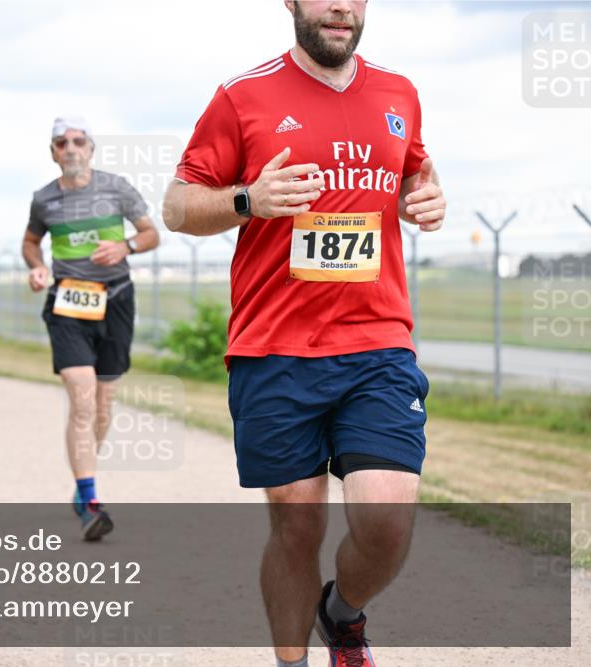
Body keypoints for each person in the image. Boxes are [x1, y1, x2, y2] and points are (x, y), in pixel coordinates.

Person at [162, 2, 446, 665]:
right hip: (274, 350)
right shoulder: (242, 96)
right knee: (297, 526)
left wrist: (427, 196)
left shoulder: (399, 92)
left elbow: (416, 173)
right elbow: (177, 205)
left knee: (385, 520)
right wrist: (247, 199)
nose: (342, 6)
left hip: (379, 343)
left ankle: (341, 614)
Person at [22, 116, 160, 541]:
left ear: (91, 148)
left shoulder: (116, 187)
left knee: (102, 405)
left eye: (78, 141)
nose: (70, 148)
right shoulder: (43, 199)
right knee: (82, 402)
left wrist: (126, 246)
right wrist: (39, 266)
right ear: (52, 152)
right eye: (61, 142)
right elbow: (29, 242)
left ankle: (83, 480)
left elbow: (152, 234)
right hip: (67, 303)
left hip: (116, 298)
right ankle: (90, 500)